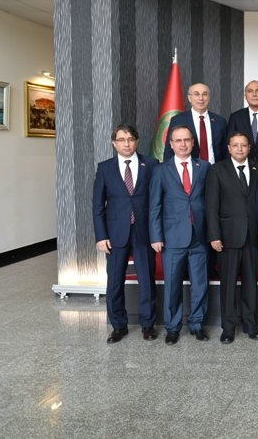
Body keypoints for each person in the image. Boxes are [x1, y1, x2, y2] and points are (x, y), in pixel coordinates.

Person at [92, 124, 158, 343]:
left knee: (146, 280)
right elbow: (97, 205)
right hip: (115, 233)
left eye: (130, 139)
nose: (126, 144)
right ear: (114, 143)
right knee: (114, 282)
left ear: (136, 141)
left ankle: (148, 325)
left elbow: (157, 201)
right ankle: (118, 326)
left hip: (144, 232)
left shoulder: (151, 164)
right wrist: (101, 236)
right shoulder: (105, 168)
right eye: (121, 140)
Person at [149, 125, 211, 345]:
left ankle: (197, 324)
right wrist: (156, 236)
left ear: (193, 142)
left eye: (187, 140)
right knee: (172, 285)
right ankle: (173, 327)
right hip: (172, 237)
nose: (183, 144)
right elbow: (155, 206)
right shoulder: (161, 170)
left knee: (200, 284)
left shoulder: (204, 167)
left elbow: (211, 202)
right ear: (171, 144)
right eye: (178, 140)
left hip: (200, 236)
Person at [205, 131, 258, 344]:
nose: (240, 149)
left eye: (243, 145)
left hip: (253, 235)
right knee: (228, 283)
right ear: (228, 148)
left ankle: (250, 324)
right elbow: (211, 206)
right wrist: (214, 235)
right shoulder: (217, 170)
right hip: (227, 236)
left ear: (249, 148)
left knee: (250, 282)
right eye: (235, 145)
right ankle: (228, 327)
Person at [164, 82, 228, 163]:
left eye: (204, 94)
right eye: (196, 94)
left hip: (215, 168)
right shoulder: (178, 120)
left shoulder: (220, 121)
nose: (201, 98)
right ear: (189, 98)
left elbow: (226, 150)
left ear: (209, 97)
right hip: (189, 169)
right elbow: (169, 150)